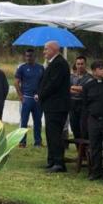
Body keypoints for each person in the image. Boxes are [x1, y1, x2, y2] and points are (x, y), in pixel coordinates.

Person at [36, 40, 71, 173]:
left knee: (55, 134)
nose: (44, 52)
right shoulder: (53, 63)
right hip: (51, 105)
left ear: (54, 50)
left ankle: (59, 163)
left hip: (57, 106)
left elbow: (53, 84)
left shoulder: (60, 63)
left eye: (46, 49)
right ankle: (51, 161)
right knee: (50, 134)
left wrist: (40, 95)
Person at [14, 48, 44, 148]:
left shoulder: (41, 68)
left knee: (38, 122)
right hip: (26, 98)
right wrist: (20, 96)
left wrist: (40, 95)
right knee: (24, 121)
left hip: (37, 100)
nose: (28, 58)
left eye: (30, 56)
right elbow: (16, 82)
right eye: (26, 56)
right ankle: (22, 142)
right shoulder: (22, 68)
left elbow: (44, 83)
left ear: (34, 56)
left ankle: (38, 142)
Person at [69, 55, 91, 141]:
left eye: (82, 64)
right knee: (74, 127)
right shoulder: (71, 77)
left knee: (84, 128)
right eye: (78, 64)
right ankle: (79, 149)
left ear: (85, 65)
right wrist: (78, 89)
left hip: (83, 105)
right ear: (75, 64)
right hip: (72, 104)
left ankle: (85, 150)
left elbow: (85, 89)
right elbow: (66, 88)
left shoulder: (89, 77)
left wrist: (72, 88)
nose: (80, 66)